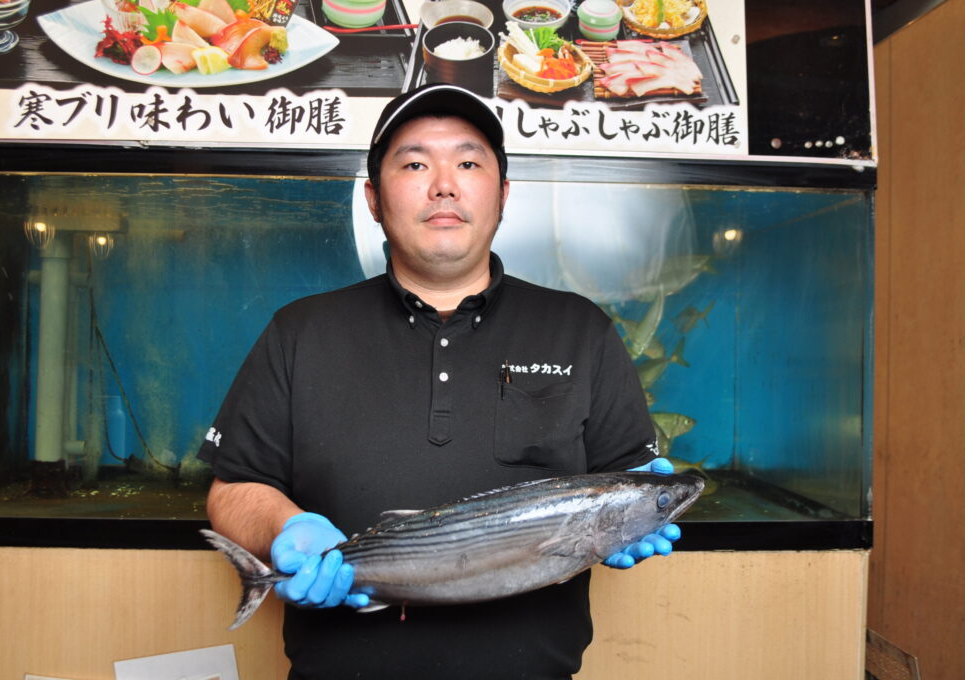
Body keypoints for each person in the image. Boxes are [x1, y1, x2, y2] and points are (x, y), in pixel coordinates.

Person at [198, 83, 682, 680]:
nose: (444, 183)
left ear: (503, 195)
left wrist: (637, 509)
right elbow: (233, 487)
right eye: (415, 163)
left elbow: (626, 474)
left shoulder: (579, 328)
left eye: (469, 161)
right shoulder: (300, 330)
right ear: (374, 198)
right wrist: (281, 529)